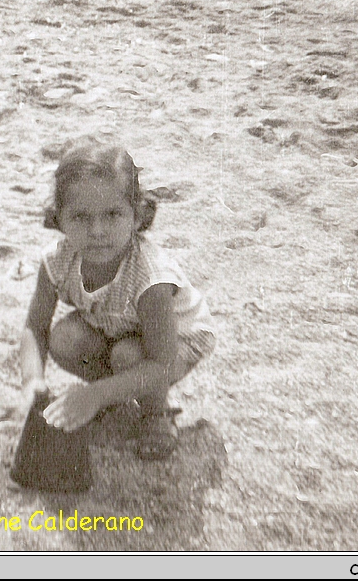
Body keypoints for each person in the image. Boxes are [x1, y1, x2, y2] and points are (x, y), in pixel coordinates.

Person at [19, 137, 216, 460]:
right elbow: (35, 327)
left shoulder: (150, 278)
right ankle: (114, 395)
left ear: (136, 216)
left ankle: (155, 413)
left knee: (128, 356)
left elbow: (161, 365)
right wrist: (32, 380)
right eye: (80, 217)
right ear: (59, 219)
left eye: (112, 214)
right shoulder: (57, 261)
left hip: (177, 340)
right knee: (65, 338)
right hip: (119, 326)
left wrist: (93, 395)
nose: (97, 230)